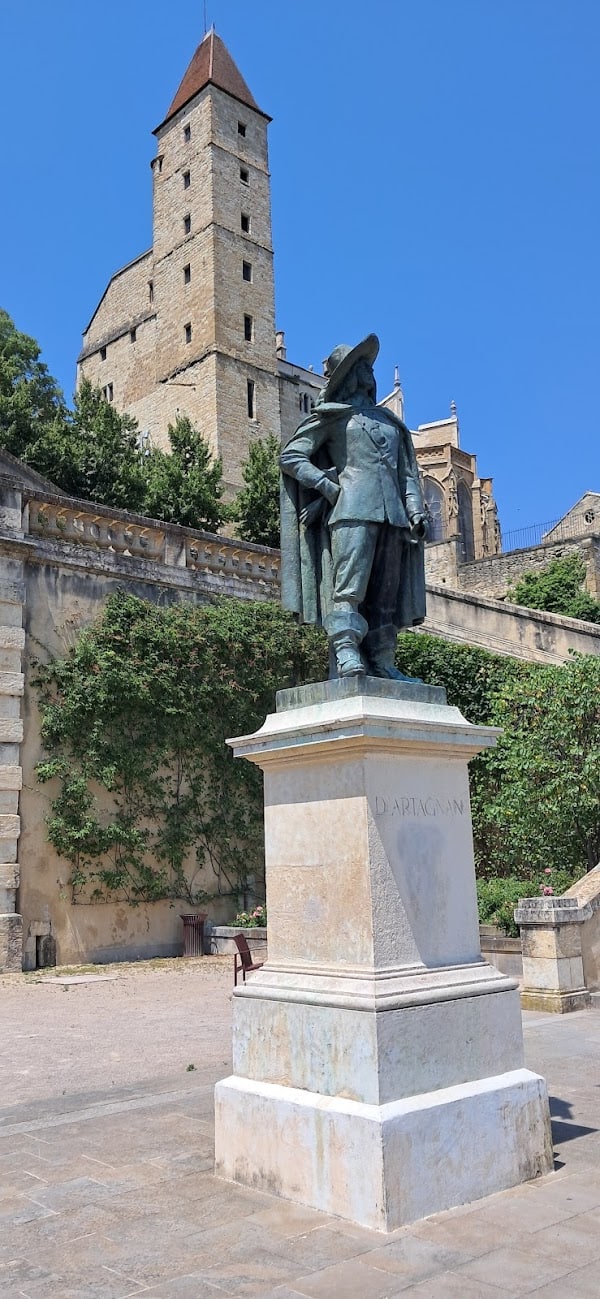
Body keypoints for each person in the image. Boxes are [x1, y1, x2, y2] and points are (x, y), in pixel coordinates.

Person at [280, 333, 427, 679]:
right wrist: (326, 484)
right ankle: (346, 649)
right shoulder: (333, 417)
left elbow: (407, 472)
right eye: (357, 367)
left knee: (385, 595)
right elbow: (291, 456)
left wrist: (416, 509)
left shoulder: (391, 424)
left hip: (394, 515)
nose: (367, 372)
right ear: (344, 377)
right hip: (351, 509)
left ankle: (383, 660)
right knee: (350, 588)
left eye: (368, 367)